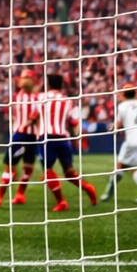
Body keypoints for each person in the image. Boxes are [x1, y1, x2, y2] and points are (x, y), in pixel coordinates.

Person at [38, 73, 99, 212]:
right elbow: (73, 121)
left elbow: (33, 114)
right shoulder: (68, 101)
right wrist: (78, 136)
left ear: (47, 84)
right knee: (69, 172)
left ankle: (62, 202)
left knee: (47, 172)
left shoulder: (40, 97)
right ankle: (88, 188)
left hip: (47, 138)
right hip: (64, 139)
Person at [0, 71, 41, 208]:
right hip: (32, 137)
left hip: (19, 136)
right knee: (28, 168)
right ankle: (20, 195)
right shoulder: (38, 99)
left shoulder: (15, 97)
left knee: (9, 168)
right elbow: (36, 116)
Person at [105, 82, 137, 204]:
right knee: (129, 166)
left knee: (123, 166)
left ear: (124, 94)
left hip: (133, 141)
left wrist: (111, 128)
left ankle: (110, 192)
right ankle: (109, 192)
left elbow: (116, 126)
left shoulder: (122, 106)